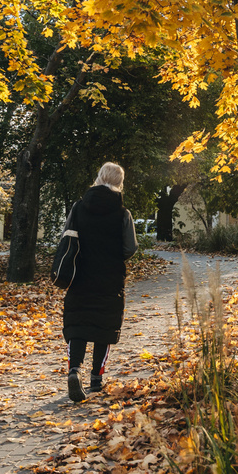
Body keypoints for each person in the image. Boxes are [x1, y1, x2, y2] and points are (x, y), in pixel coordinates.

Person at [62, 162, 138, 402]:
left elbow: (66, 237)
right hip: (110, 276)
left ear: (98, 178)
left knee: (78, 321)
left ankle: (75, 370)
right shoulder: (123, 213)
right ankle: (97, 378)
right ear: (119, 183)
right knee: (104, 324)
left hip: (81, 274)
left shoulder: (78, 207)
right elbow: (130, 247)